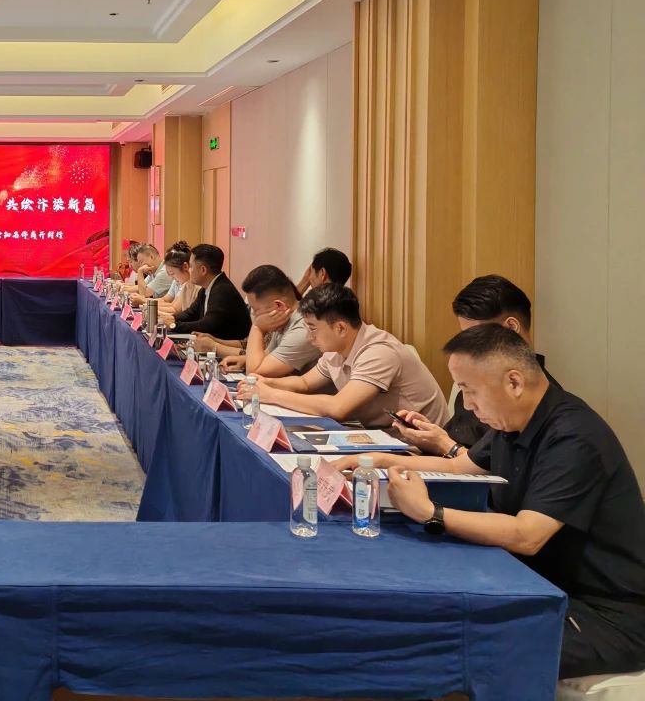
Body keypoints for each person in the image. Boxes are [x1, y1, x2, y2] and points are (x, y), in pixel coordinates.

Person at [346, 325, 645, 680]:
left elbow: (528, 535)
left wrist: (429, 512)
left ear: (514, 382)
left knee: (462, 648)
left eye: (470, 390)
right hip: (536, 584)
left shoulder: (574, 436)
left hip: (608, 615)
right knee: (422, 610)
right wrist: (380, 460)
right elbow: (458, 466)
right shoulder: (511, 423)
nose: (467, 404)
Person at [237, 283, 448, 428]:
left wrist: (270, 394)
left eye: (313, 328)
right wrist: (265, 382)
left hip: (417, 446)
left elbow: (338, 408)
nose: (309, 337)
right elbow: (304, 383)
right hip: (380, 436)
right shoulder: (336, 349)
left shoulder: (378, 352)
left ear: (340, 328)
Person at [396, 274, 561, 458]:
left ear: (511, 328)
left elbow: (495, 468)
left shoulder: (532, 400)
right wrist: (432, 437)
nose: (467, 345)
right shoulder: (475, 381)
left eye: (475, 335)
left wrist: (445, 444)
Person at [215, 265, 318, 377]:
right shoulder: (283, 320)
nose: (254, 315)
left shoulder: (304, 328)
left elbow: (254, 373)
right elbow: (268, 356)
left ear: (278, 305)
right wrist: (244, 360)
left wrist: (257, 328)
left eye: (255, 309)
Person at [164, 244, 251, 340]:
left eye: (191, 266)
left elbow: (206, 325)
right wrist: (172, 318)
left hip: (228, 345)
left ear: (203, 270)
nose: (189, 270)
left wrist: (173, 325)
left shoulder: (222, 291)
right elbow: (191, 313)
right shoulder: (207, 288)